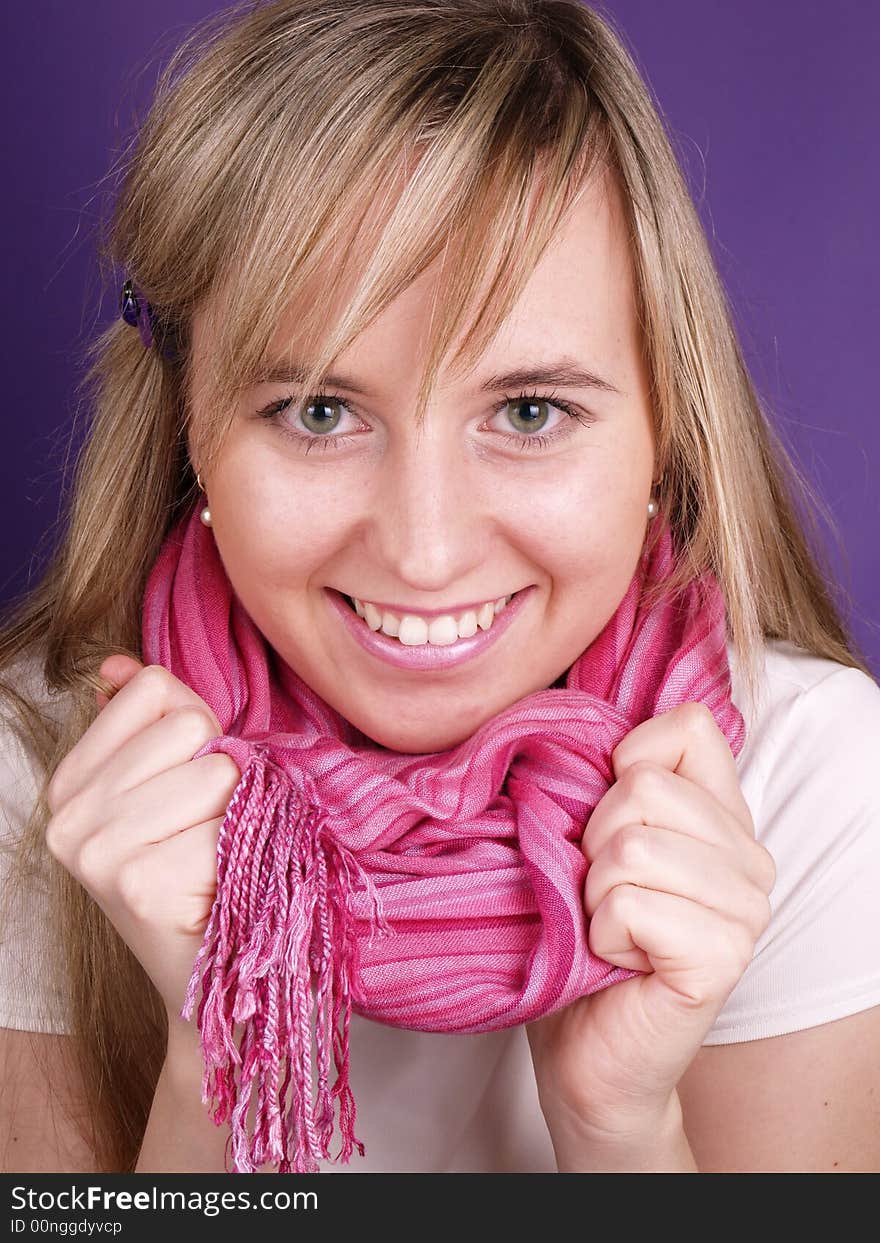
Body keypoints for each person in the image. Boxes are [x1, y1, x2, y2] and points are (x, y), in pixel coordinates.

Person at [1, 0, 878, 1175]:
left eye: (528, 412)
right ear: (188, 431)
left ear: (664, 433)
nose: (422, 551)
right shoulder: (40, 787)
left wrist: (619, 1124)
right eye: (317, 410)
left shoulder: (809, 780)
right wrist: (224, 1046)